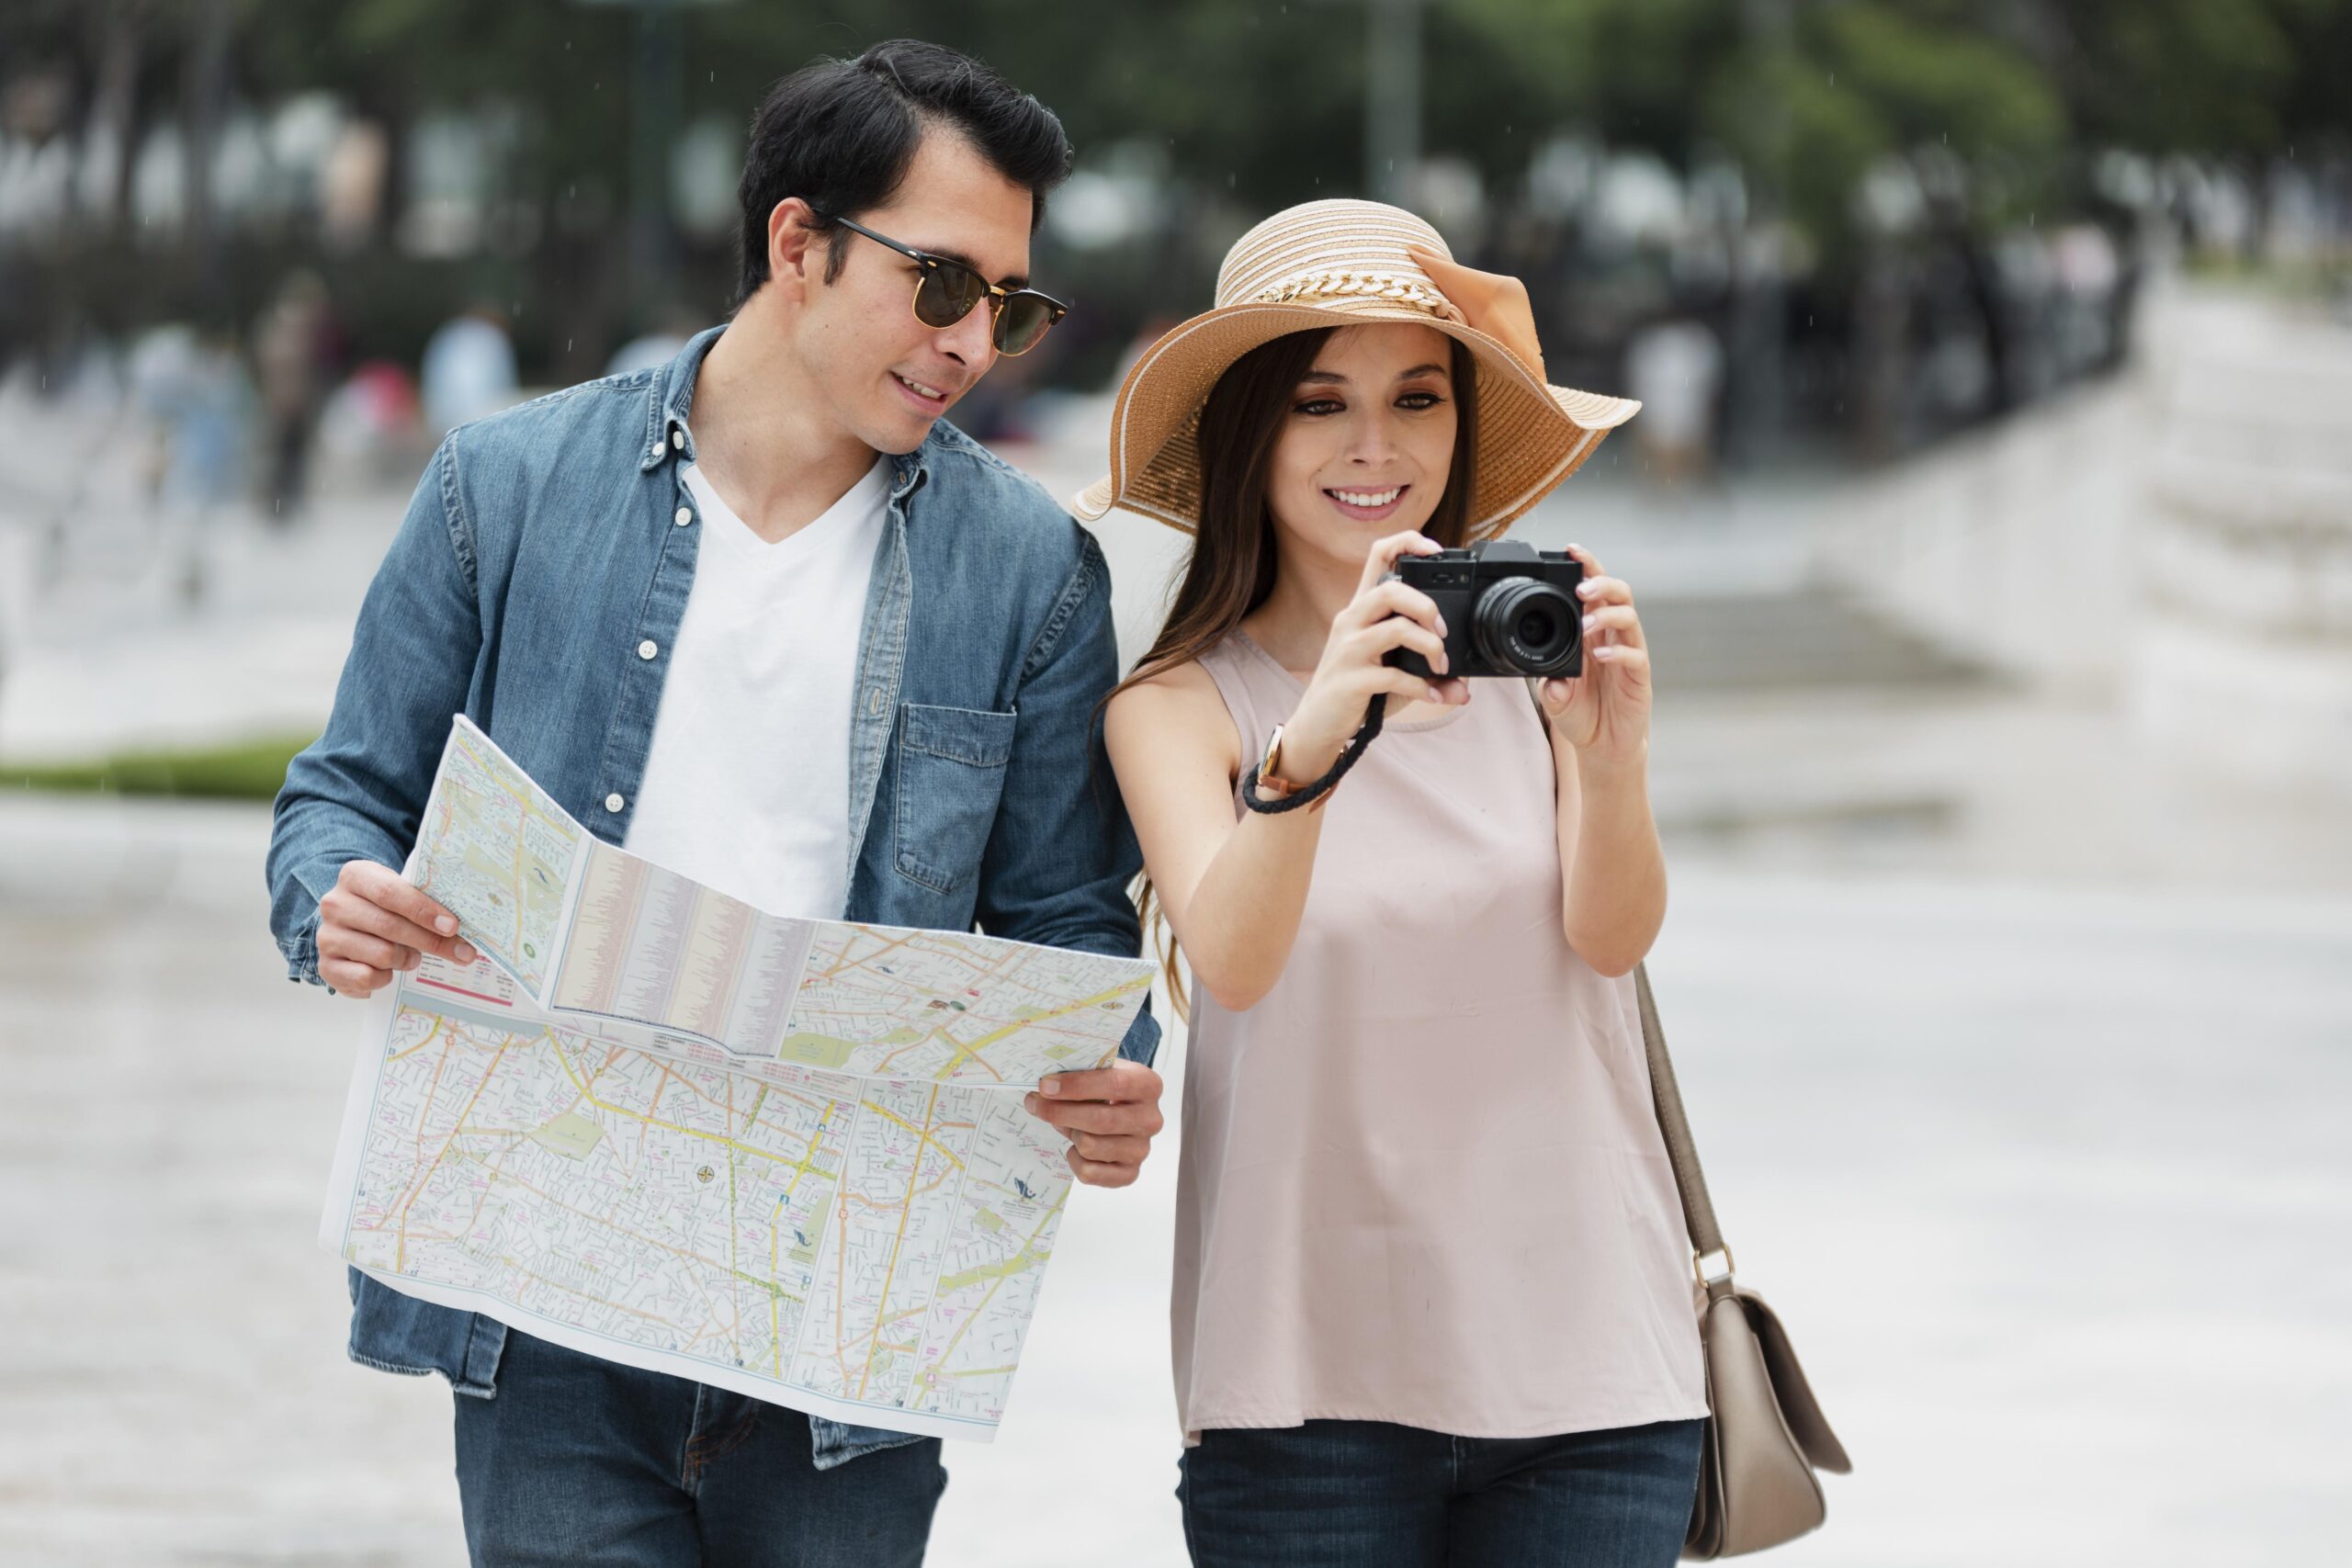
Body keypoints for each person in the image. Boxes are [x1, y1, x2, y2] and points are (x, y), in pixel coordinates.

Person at [266, 40, 1166, 1567]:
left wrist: (1112, 1069)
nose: (973, 344)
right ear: (797, 242)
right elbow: (342, 798)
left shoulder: (1029, 573)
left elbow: (1069, 923)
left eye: (1009, 307)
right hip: (544, 1291)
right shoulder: (509, 484)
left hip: (845, 1334)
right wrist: (338, 899)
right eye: (940, 283)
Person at [1084, 200, 1707, 1567]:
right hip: (1303, 1395)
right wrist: (1312, 746)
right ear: (1253, 434)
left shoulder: (1531, 659)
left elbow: (1612, 939)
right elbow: (1236, 960)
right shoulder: (1180, 708)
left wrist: (1612, 758)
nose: (1377, 448)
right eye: (1321, 403)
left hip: (1593, 1373)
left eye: (1417, 399)